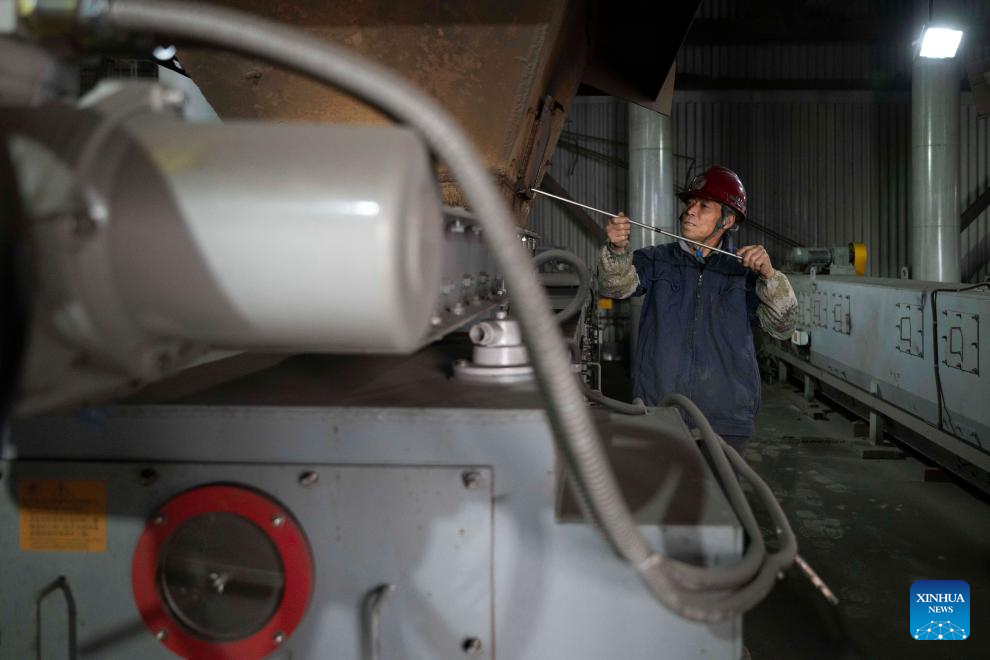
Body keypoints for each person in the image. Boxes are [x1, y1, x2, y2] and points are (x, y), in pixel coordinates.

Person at [597, 166, 797, 455]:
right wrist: (617, 251)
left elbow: (783, 328)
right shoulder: (656, 260)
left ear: (727, 220)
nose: (690, 211)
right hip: (660, 411)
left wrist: (770, 276)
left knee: (721, 485)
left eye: (704, 206)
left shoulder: (744, 272)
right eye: (690, 203)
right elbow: (614, 288)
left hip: (726, 419)